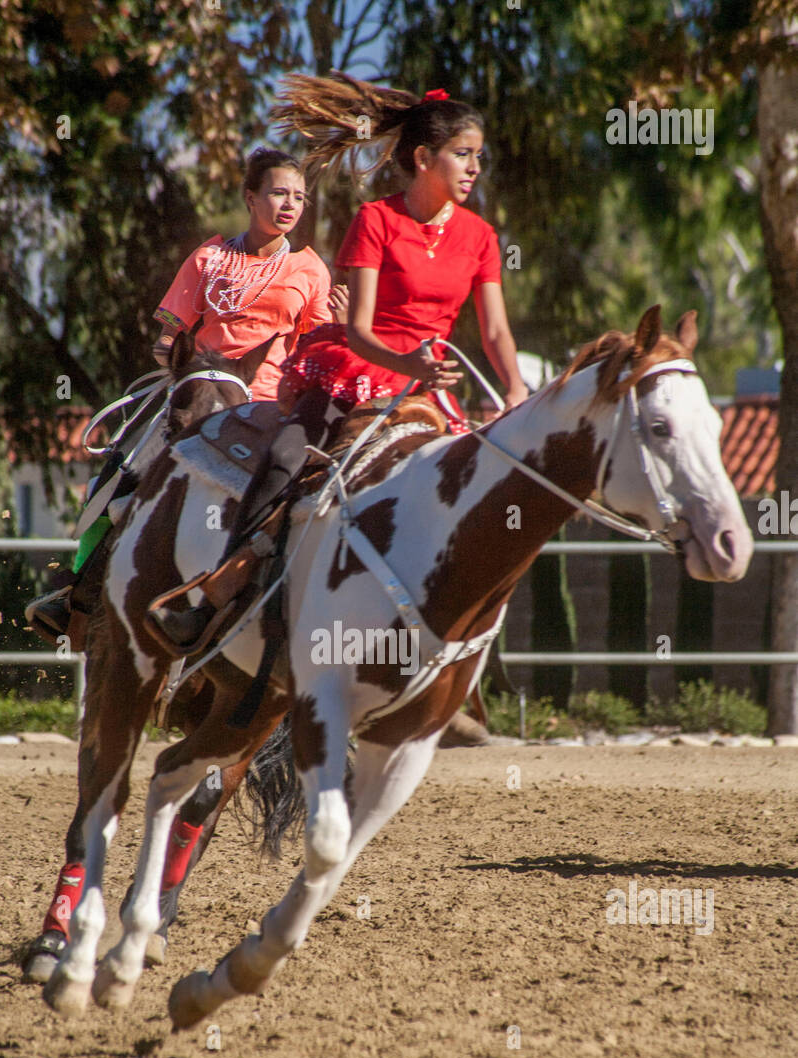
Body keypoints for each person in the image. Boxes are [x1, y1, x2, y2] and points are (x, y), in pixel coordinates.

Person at [167, 74, 529, 651]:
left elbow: (497, 332)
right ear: (423, 158)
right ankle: (220, 590)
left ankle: (463, 653)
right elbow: (358, 331)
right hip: (357, 371)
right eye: (463, 155)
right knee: (287, 456)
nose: (474, 167)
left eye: (478, 156)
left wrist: (514, 391)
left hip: (429, 388)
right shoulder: (376, 221)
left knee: (479, 497)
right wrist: (407, 363)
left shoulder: (481, 236)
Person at [28, 146, 344, 640]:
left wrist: (340, 325)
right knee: (110, 484)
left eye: (299, 197)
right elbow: (166, 338)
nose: (290, 204)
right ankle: (76, 596)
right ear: (250, 196)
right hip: (196, 390)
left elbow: (315, 348)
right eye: (279, 192)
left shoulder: (311, 270)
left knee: (308, 495)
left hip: (267, 402)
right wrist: (180, 363)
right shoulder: (209, 256)